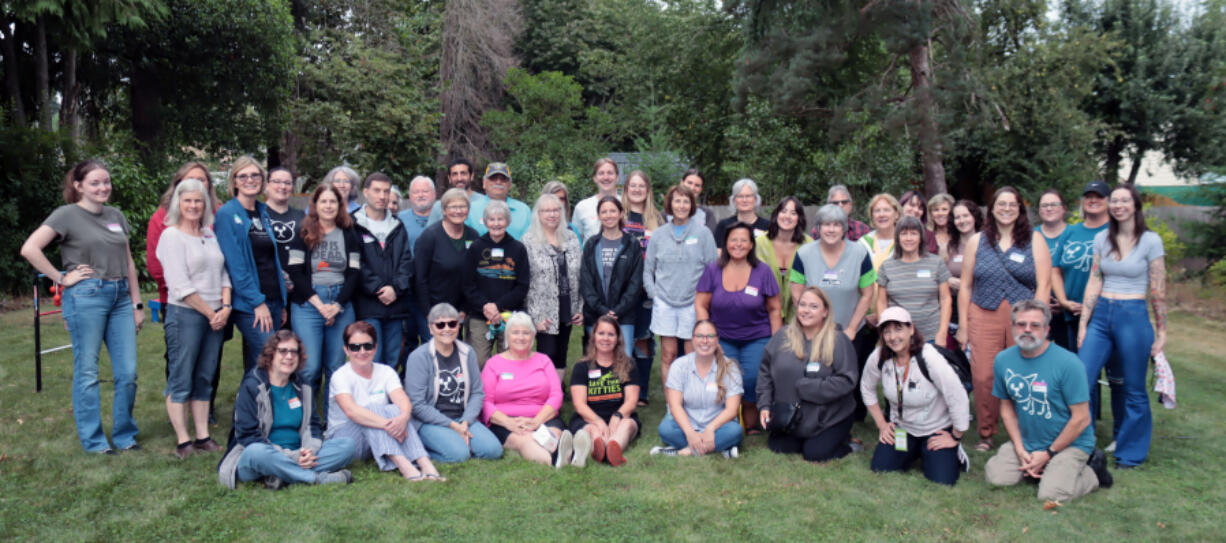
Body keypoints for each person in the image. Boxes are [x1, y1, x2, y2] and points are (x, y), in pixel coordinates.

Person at [20, 160, 143, 454]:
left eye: (106, 182)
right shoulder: (66, 215)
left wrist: (137, 303)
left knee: (127, 372)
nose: (103, 188)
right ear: (78, 186)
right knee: (87, 370)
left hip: (121, 297)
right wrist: (61, 278)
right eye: (95, 183)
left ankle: (125, 435)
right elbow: (29, 249)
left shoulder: (116, 215)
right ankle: (95, 441)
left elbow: (128, 262)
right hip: (87, 295)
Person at [956, 186, 1052, 452]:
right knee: (985, 376)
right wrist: (963, 325)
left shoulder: (1035, 240)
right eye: (1001, 204)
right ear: (992, 208)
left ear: (1020, 208)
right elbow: (965, 286)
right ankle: (986, 432)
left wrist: (1038, 321)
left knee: (1022, 374)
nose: (1007, 208)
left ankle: (1023, 431)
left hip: (1023, 319)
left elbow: (1044, 283)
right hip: (983, 313)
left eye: (1012, 204)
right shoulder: (977, 241)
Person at [986, 300, 1111, 501]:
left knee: (1052, 495)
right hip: (1028, 442)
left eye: (1035, 325)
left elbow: (1081, 418)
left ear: (1047, 329)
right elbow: (1007, 408)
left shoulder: (1069, 364)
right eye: (1021, 324)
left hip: (1070, 444)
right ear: (1012, 327)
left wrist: (1048, 453)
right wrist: (1019, 448)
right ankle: (1042, 469)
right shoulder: (1003, 360)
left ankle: (1093, 472)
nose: (1027, 330)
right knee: (998, 478)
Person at [1078, 184, 1166, 468]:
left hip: (1133, 314)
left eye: (1123, 201)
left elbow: (1158, 289)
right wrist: (1083, 325)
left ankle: (1130, 454)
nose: (1118, 205)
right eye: (1113, 201)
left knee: (1134, 388)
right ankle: (1083, 444)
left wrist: (1162, 330)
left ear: (1135, 205)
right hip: (1102, 315)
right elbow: (1094, 280)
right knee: (1081, 378)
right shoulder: (1103, 238)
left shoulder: (1151, 241)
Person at [218, 331, 356, 489]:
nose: (289, 356)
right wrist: (292, 457)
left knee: (347, 445)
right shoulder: (252, 385)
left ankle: (280, 475)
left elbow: (314, 425)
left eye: (294, 351)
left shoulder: (303, 385)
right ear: (270, 354)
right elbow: (247, 436)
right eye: (283, 351)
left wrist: (308, 452)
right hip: (264, 454)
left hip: (300, 451)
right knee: (256, 452)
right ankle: (316, 478)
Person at [156, 178, 231, 458]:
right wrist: (212, 313)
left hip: (215, 314)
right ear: (178, 203)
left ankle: (203, 435)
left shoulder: (209, 235)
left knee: (205, 376)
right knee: (182, 376)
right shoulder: (171, 236)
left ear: (205, 204)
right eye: (187, 200)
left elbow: (224, 272)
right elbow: (179, 284)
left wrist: (225, 307)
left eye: (198, 200)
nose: (193, 205)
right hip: (186, 314)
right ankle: (183, 440)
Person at [861, 306, 970, 485]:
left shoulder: (929, 357)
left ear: (911, 329)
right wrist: (882, 424)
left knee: (942, 480)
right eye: (886, 332)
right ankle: (915, 450)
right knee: (881, 467)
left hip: (936, 428)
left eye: (898, 329)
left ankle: (955, 453)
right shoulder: (879, 356)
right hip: (902, 427)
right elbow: (866, 388)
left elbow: (956, 395)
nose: (893, 337)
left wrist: (956, 436)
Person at [790, 204, 877, 421]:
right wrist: (809, 321)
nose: (831, 229)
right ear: (818, 227)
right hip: (813, 329)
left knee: (848, 375)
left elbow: (867, 294)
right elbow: (796, 291)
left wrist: (851, 329)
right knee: (816, 373)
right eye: (826, 224)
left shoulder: (859, 253)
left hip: (850, 328)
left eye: (837, 225)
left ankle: (851, 417)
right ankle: (813, 413)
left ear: (844, 228)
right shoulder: (804, 253)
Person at [326, 321, 444, 481]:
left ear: (375, 347)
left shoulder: (386, 371)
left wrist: (402, 418)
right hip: (347, 439)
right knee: (373, 408)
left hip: (379, 434)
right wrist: (390, 425)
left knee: (396, 410)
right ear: (346, 350)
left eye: (367, 346)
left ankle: (424, 462)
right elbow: (351, 411)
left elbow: (403, 400)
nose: (362, 351)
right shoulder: (340, 376)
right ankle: (404, 465)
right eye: (355, 347)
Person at [696, 222, 782, 433]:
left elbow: (774, 309)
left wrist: (776, 343)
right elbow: (700, 304)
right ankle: (727, 422)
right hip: (722, 337)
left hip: (757, 337)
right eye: (733, 239)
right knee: (727, 378)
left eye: (744, 240)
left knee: (752, 377)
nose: (738, 244)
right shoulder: (713, 269)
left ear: (751, 244)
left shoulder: (763, 272)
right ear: (725, 243)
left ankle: (752, 423)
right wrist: (708, 337)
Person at [757, 287, 859, 462]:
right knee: (780, 448)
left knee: (815, 453)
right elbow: (765, 373)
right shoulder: (782, 336)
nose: (806, 310)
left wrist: (809, 387)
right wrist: (765, 405)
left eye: (813, 306)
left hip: (829, 417)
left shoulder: (838, 340)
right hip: (791, 415)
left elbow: (847, 380)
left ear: (825, 312)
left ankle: (848, 443)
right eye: (802, 305)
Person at [403, 303, 503, 463]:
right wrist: (452, 426)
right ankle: (419, 451)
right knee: (459, 455)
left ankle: (458, 444)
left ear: (458, 326)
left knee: (493, 451)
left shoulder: (467, 352)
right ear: (430, 328)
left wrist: (465, 422)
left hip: (462, 418)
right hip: (430, 421)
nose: (447, 329)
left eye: (452, 323)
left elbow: (477, 392)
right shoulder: (418, 357)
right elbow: (417, 404)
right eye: (440, 325)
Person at [285, 184, 361, 394]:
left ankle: (333, 423)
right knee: (310, 367)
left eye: (333, 201)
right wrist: (319, 305)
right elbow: (295, 271)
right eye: (323, 201)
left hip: (341, 302)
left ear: (340, 205)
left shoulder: (349, 233)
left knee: (336, 367)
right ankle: (308, 423)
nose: (328, 206)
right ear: (315, 205)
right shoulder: (303, 232)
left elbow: (354, 273)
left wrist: (337, 305)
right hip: (309, 304)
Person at [215, 156, 287, 372]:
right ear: (234, 181)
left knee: (259, 363)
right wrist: (258, 302)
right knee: (271, 357)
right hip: (250, 303)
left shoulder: (263, 212)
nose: (250, 180)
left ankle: (248, 405)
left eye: (255, 175)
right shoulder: (227, 214)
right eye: (243, 176)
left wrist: (281, 302)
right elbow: (236, 266)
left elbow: (271, 259)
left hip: (273, 299)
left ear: (262, 180)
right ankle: (256, 405)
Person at [644, 185, 717, 389]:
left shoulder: (703, 234)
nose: (681, 205)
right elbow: (648, 270)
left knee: (692, 355)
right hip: (665, 303)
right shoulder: (658, 235)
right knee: (668, 355)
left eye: (686, 201)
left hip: (692, 304)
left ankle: (691, 398)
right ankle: (671, 405)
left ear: (692, 205)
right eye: (677, 200)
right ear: (670, 204)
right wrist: (655, 295)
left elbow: (712, 270)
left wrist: (703, 299)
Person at [480, 312, 572, 467]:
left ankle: (567, 455)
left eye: (526, 333)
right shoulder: (493, 364)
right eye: (515, 332)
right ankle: (555, 460)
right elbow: (485, 402)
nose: (521, 337)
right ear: (507, 335)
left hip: (542, 417)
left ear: (533, 336)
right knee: (526, 439)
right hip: (506, 420)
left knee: (555, 434)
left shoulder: (544, 361)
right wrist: (509, 422)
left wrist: (536, 421)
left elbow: (556, 395)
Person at [653, 320, 743, 457]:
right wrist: (690, 433)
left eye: (710, 336)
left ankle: (685, 451)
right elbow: (675, 406)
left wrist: (710, 429)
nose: (705, 341)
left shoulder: (730, 368)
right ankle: (722, 449)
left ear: (717, 339)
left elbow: (732, 410)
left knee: (735, 431)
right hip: (688, 424)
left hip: (719, 426)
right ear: (693, 339)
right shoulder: (679, 366)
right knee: (666, 429)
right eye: (700, 336)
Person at [353, 173, 416, 370]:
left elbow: (406, 261)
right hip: (369, 304)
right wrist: (379, 289)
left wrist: (395, 289)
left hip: (395, 305)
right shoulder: (353, 224)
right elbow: (355, 263)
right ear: (365, 192)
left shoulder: (397, 225)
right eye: (376, 190)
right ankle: (368, 401)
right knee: (372, 356)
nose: (382, 196)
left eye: (386, 191)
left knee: (392, 359)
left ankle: (389, 400)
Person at [147, 161, 217, 323]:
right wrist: (187, 292)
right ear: (178, 184)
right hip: (180, 302)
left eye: (201, 179)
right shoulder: (162, 218)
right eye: (190, 179)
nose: (196, 183)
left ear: (208, 184)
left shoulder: (218, 213)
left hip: (215, 300)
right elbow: (155, 266)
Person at [463, 199, 531, 365]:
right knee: (478, 362)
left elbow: (522, 286)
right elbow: (467, 285)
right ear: (485, 222)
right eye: (492, 219)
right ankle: (482, 391)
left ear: (508, 221)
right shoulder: (476, 247)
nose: (496, 224)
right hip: (480, 314)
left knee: (510, 361)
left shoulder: (518, 248)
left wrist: (498, 307)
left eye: (500, 219)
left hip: (509, 315)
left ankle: (506, 391)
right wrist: (486, 306)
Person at [568, 316, 641, 467]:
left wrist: (618, 415)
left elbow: (631, 401)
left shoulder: (629, 364)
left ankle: (613, 448)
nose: (605, 338)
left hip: (620, 416)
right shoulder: (582, 367)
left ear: (617, 339)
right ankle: (600, 447)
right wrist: (598, 421)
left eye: (611, 334)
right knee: (592, 430)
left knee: (627, 425)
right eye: (601, 333)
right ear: (594, 336)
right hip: (589, 418)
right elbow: (579, 405)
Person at [523, 193, 583, 376]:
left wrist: (580, 308)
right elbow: (524, 282)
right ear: (538, 214)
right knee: (546, 353)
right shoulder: (528, 241)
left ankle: (556, 392)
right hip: (542, 309)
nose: (552, 214)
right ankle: (542, 392)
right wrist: (533, 316)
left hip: (567, 305)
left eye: (556, 210)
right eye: (547, 210)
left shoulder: (572, 239)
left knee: (561, 353)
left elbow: (581, 275)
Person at [621, 171, 665, 405]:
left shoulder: (657, 219)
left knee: (644, 339)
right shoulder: (619, 215)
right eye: (632, 185)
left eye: (641, 186)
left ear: (648, 190)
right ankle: (625, 388)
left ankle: (643, 392)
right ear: (626, 188)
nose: (637, 190)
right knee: (622, 340)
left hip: (649, 289)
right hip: (623, 288)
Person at [580, 196, 642, 358]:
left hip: (624, 315)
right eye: (604, 212)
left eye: (613, 211)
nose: (609, 215)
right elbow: (586, 284)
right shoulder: (591, 244)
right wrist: (602, 310)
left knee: (625, 358)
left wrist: (618, 310)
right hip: (595, 314)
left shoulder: (632, 244)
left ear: (621, 213)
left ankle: (624, 385)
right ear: (599, 216)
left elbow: (635, 283)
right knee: (597, 359)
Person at [1052, 181, 1111, 352]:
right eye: (1088, 197)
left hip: (1105, 312)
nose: (1093, 200)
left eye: (1098, 196)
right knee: (1080, 370)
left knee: (1114, 373)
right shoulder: (1070, 232)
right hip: (1073, 314)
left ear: (1108, 200)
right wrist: (1064, 302)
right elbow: (1055, 269)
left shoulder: (1114, 231)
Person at [876, 216, 952, 346]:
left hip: (931, 336)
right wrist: (885, 333)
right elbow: (881, 302)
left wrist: (942, 333)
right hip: (898, 339)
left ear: (921, 237)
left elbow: (946, 299)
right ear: (897, 238)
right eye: (904, 233)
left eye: (913, 233)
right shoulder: (886, 266)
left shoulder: (936, 262)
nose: (908, 238)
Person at [414, 189, 479, 335]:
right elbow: (420, 278)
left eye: (462, 207)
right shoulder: (429, 237)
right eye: (453, 207)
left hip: (461, 310)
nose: (458, 211)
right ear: (444, 210)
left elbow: (475, 276)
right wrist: (429, 313)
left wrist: (464, 309)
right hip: (435, 310)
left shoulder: (473, 236)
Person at [757, 196, 812, 322]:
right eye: (783, 211)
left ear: (799, 218)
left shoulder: (809, 245)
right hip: (764, 315)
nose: (787, 216)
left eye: (793, 213)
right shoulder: (760, 243)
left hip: (800, 316)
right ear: (776, 215)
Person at [945, 199, 983, 350]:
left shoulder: (987, 243)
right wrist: (948, 280)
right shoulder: (949, 246)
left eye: (965, 216)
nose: (962, 220)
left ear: (974, 216)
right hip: (954, 309)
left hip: (980, 305)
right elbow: (939, 274)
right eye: (957, 217)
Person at [1036, 189, 1071, 349]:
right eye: (1044, 205)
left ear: (1063, 208)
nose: (1048, 208)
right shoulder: (1029, 236)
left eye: (1053, 204)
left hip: (1071, 310)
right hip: (1037, 307)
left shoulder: (1075, 234)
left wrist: (1064, 302)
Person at [467, 162, 531, 239]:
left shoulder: (524, 210)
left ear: (510, 185)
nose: (498, 182)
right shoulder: (471, 210)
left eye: (503, 179)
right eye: (493, 178)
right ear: (484, 183)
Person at [263, 167, 305, 279]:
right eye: (277, 182)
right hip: (266, 282)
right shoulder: (258, 214)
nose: (282, 187)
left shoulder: (302, 216)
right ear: (267, 185)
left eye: (287, 183)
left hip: (299, 284)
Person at [712, 178, 771, 251]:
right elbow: (718, 253)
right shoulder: (724, 225)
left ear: (755, 199)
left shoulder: (768, 226)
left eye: (748, 196)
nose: (744, 200)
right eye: (740, 196)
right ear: (734, 200)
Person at [573, 157, 621, 244]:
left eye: (610, 173)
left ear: (617, 177)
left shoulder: (626, 204)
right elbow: (576, 241)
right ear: (595, 178)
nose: (606, 177)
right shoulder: (582, 207)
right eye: (601, 173)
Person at [428, 157, 482, 223]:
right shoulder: (439, 206)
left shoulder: (483, 202)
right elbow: (430, 232)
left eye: (463, 173)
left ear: (472, 176)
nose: (459, 178)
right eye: (455, 174)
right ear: (449, 178)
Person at [859, 193, 901, 272]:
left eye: (887, 210)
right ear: (872, 216)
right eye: (877, 211)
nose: (881, 214)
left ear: (896, 214)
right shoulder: (863, 243)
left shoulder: (905, 241)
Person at [399, 175, 438, 252]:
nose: (420, 195)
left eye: (425, 191)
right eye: (416, 192)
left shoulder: (444, 218)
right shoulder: (400, 219)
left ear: (434, 195)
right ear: (410, 196)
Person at [898, 189, 940, 255]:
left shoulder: (928, 235)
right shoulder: (891, 230)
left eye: (920, 208)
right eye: (912, 205)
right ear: (902, 205)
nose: (916, 210)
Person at [927, 192, 956, 258]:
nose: (940, 213)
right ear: (931, 214)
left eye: (944, 209)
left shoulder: (958, 234)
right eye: (936, 210)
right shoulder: (926, 235)